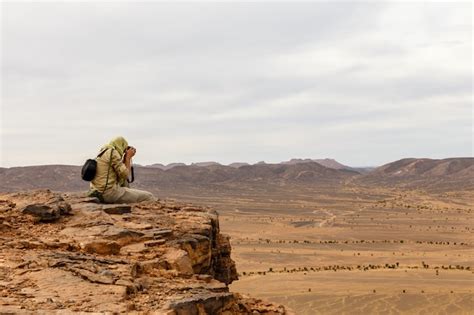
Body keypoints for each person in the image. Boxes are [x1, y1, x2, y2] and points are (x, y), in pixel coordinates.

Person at [88, 136, 155, 203]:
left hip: (98, 192)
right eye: (124, 148)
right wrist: (128, 158)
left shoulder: (103, 152)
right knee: (149, 196)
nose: (124, 151)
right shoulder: (113, 153)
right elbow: (125, 175)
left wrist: (125, 158)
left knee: (125, 182)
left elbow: (120, 175)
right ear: (120, 145)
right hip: (109, 194)